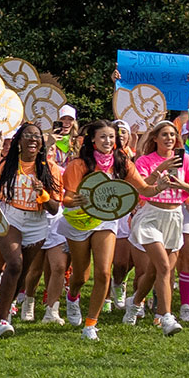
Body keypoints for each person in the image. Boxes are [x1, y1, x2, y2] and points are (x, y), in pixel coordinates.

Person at [62, 120, 174, 339]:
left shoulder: (122, 162)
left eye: (111, 137)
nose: (108, 141)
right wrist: (74, 201)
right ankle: (72, 296)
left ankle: (90, 325)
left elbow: (143, 189)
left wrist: (158, 188)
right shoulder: (78, 165)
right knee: (81, 276)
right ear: (92, 139)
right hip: (79, 221)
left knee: (104, 272)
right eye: (103, 137)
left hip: (106, 221)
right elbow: (66, 198)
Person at [0, 122, 60, 338]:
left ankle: (6, 306)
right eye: (28, 136)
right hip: (11, 217)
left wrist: (43, 193)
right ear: (19, 141)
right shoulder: (5, 165)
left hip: (37, 222)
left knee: (22, 273)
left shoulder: (49, 169)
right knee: (14, 264)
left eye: (37, 137)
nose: (33, 140)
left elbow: (54, 209)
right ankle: (3, 319)